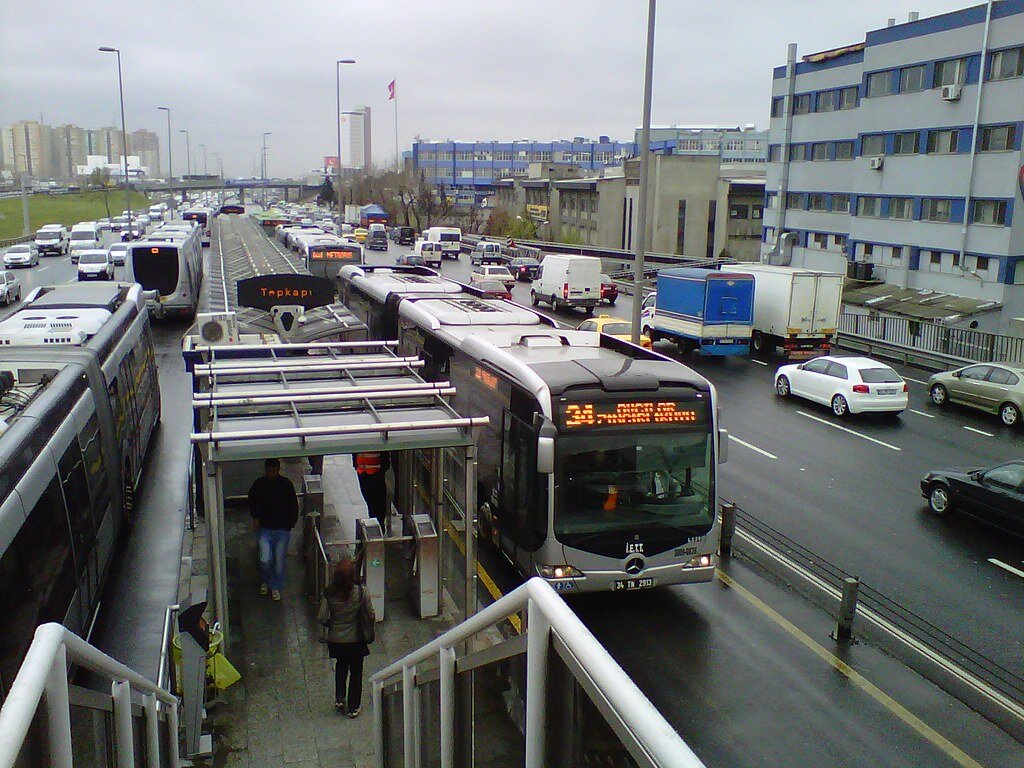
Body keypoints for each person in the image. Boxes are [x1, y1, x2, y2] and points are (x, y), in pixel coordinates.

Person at [318, 558, 375, 717]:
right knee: (356, 673)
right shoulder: (361, 591)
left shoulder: (329, 594)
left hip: (336, 640)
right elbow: (370, 614)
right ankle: (353, 707)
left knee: (341, 666)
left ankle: (339, 697)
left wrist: (332, 623)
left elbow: (321, 617)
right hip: (356, 640)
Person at [248, 458, 299, 601]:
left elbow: (252, 502)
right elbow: (293, 504)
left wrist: (256, 518)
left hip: (272, 528)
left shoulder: (260, 485)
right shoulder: (285, 484)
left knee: (272, 559)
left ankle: (270, 583)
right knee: (271, 559)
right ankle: (273, 584)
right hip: (275, 528)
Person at [352, 451, 391, 533]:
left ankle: (378, 526)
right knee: (369, 500)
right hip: (362, 470)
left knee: (377, 500)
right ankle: (375, 524)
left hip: (375, 470)